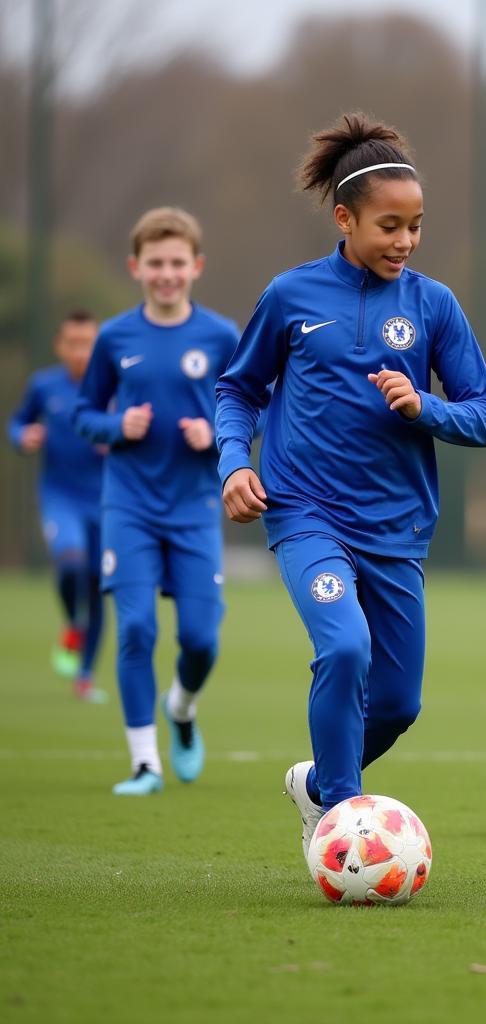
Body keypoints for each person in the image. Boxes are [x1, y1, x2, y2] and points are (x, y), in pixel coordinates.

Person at [215, 112, 486, 875]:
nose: (405, 241)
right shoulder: (291, 295)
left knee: (400, 703)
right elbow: (238, 389)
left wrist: (424, 406)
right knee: (344, 648)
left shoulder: (434, 307)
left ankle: (315, 782)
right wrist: (233, 464)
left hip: (398, 529)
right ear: (345, 219)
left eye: (415, 227)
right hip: (306, 514)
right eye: (389, 226)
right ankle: (341, 822)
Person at [73, 207, 238, 795]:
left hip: (195, 509)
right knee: (137, 628)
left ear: (195, 266)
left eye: (176, 263)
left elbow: (257, 405)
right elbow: (84, 413)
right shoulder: (116, 337)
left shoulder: (220, 336)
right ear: (135, 267)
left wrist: (216, 434)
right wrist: (118, 426)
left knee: (200, 638)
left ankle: (183, 710)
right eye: (155, 263)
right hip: (130, 507)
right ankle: (145, 762)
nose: (166, 273)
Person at [8, 311, 108, 702]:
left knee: (99, 586)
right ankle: (72, 620)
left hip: (106, 500)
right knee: (71, 563)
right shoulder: (43, 385)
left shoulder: (112, 387)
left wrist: (116, 437)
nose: (81, 351)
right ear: (59, 345)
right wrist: (23, 435)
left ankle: (84, 676)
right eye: (74, 343)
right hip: (60, 496)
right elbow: (16, 423)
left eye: (89, 343)